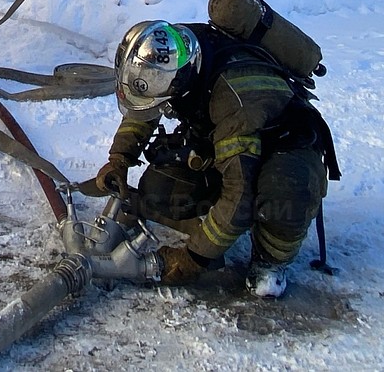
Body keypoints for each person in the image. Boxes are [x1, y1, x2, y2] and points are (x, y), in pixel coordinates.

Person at [93, 19, 336, 298]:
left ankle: (270, 262)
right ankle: (225, 222)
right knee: (164, 191)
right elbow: (145, 108)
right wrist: (120, 158)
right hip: (230, 137)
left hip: (286, 147)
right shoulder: (174, 52)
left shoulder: (233, 102)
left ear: (180, 82)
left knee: (283, 194)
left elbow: (239, 192)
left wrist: (194, 259)